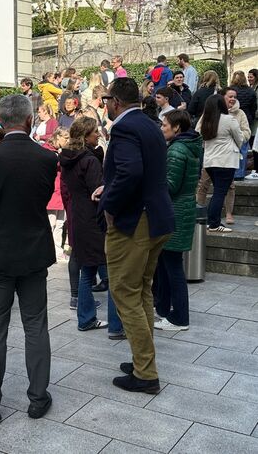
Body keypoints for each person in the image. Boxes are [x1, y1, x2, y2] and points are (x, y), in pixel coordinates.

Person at [0, 94, 57, 426]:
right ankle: (38, 397)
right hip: (33, 250)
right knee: (36, 326)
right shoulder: (46, 158)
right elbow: (43, 197)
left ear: (1, 122)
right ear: (29, 120)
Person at [94, 78, 174, 394]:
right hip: (156, 217)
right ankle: (143, 361)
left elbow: (130, 172)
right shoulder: (151, 124)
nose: (104, 105)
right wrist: (109, 188)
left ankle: (146, 373)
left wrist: (109, 206)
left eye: (105, 100)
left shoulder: (124, 127)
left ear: (115, 101)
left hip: (135, 222)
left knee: (125, 293)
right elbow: (138, 172)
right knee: (141, 290)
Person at [153, 110, 202, 331]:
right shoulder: (188, 146)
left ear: (177, 128)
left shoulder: (177, 150)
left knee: (172, 267)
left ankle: (180, 318)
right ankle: (164, 309)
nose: (162, 128)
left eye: (165, 125)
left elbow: (170, 186)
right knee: (166, 263)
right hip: (181, 210)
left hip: (175, 212)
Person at [60, 117, 108, 331]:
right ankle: (87, 317)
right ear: (85, 135)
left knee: (86, 267)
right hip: (92, 217)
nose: (98, 134)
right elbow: (97, 192)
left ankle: (85, 316)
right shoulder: (89, 161)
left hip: (77, 214)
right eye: (94, 131)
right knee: (89, 271)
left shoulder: (69, 158)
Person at [196, 95, 243, 233]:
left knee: (218, 191)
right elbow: (239, 138)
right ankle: (214, 223)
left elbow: (199, 136)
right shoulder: (229, 120)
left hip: (210, 161)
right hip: (226, 161)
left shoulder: (205, 121)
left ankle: (212, 221)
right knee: (220, 193)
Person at [42, 127, 69, 259]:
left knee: (60, 223)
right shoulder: (47, 150)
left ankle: (58, 250)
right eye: (66, 138)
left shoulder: (62, 151)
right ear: (58, 137)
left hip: (62, 191)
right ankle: (47, 250)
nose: (68, 141)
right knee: (50, 222)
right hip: (52, 192)